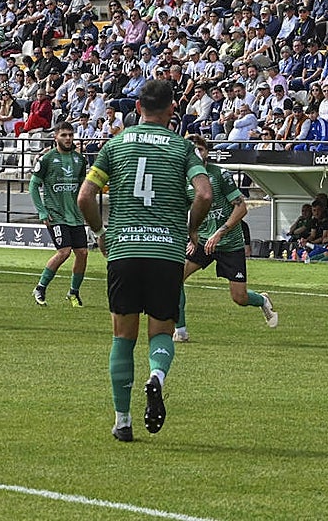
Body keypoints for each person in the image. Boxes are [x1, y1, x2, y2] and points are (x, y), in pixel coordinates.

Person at [77, 79, 212, 442]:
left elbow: (85, 197)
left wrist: (99, 234)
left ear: (137, 108)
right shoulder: (183, 149)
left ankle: (122, 421)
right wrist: (191, 229)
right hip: (166, 253)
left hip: (123, 250)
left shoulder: (114, 144)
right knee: (161, 332)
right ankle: (157, 377)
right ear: (172, 110)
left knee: (122, 336)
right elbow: (203, 194)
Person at [172, 135, 276, 342]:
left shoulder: (220, 175)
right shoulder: (183, 180)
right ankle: (180, 331)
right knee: (174, 279)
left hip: (229, 243)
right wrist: (190, 237)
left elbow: (241, 207)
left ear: (206, 152)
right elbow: (182, 211)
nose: (196, 153)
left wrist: (220, 232)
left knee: (239, 298)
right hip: (202, 241)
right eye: (192, 149)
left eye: (200, 149)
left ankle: (262, 300)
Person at [30, 122, 90, 308]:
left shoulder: (80, 160)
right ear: (55, 136)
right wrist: (42, 211)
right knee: (64, 252)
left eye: (70, 135)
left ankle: (73, 292)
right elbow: (33, 185)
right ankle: (40, 287)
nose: (68, 138)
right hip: (56, 214)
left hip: (75, 216)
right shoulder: (47, 159)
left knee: (82, 252)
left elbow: (83, 187)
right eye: (63, 135)